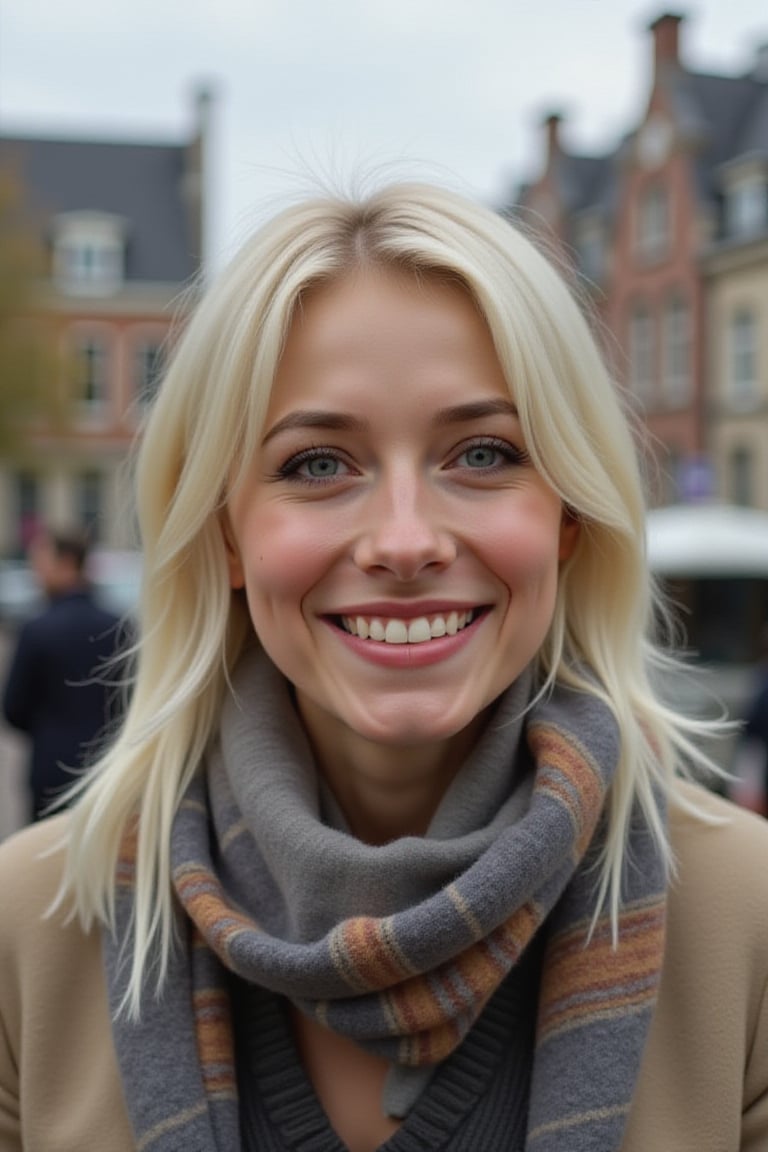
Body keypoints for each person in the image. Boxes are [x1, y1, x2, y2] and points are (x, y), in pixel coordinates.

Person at [0, 183, 766, 1152]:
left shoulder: (745, 922)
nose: (404, 542)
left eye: (483, 453)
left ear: (569, 517)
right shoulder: (31, 930)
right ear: (225, 533)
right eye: (318, 464)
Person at [1, 525, 125, 822]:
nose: (36, 574)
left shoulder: (36, 630)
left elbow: (13, 709)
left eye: (41, 563)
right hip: (108, 769)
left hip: (50, 770)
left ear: (66, 563)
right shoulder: (118, 627)